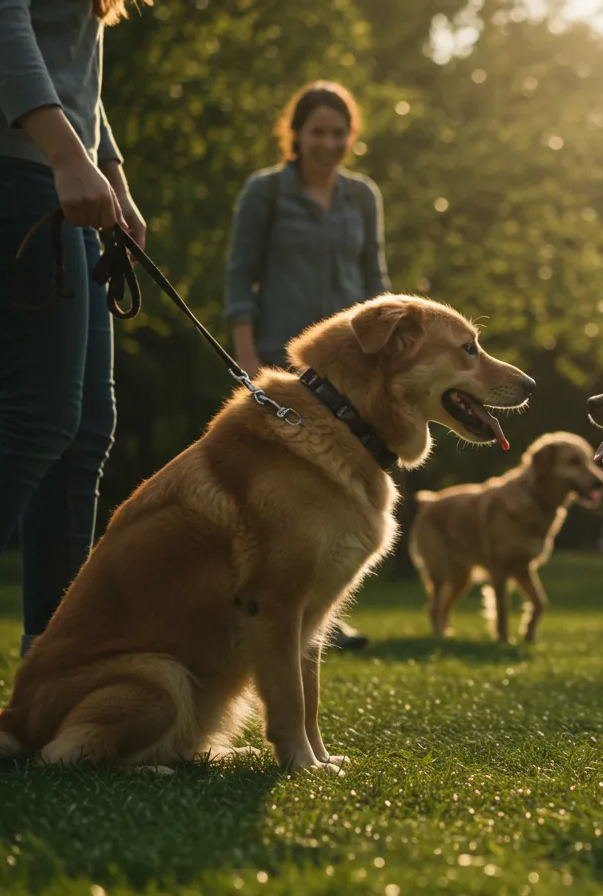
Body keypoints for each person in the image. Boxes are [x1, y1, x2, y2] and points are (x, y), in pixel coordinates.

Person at [0, 0, 148, 710]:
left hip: (55, 168)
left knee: (84, 428)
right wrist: (68, 158)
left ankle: (57, 665)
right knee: (36, 416)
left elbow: (70, 66)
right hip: (9, 165)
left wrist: (110, 173)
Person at [224, 80, 391, 651]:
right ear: (295, 134)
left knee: (340, 485)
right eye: (317, 131)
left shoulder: (363, 196)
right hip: (281, 360)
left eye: (338, 132)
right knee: (283, 487)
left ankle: (323, 614)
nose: (328, 142)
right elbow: (240, 275)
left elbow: (376, 283)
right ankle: (256, 598)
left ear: (351, 136)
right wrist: (246, 355)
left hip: (351, 368)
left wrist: (387, 358)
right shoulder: (266, 191)